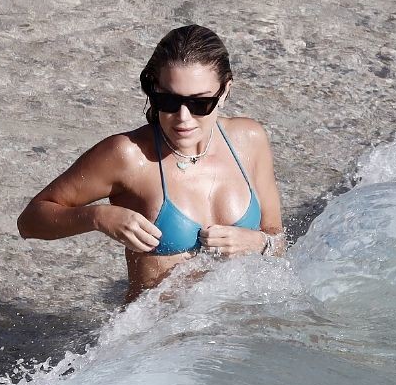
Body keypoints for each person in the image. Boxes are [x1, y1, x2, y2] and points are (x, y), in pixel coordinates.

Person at [17, 25, 285, 302]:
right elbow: (30, 222)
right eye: (168, 101)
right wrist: (97, 217)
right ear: (154, 89)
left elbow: (277, 240)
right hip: (158, 329)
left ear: (225, 91)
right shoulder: (129, 156)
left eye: (200, 104)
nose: (183, 117)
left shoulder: (248, 141)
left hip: (240, 325)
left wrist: (260, 243)